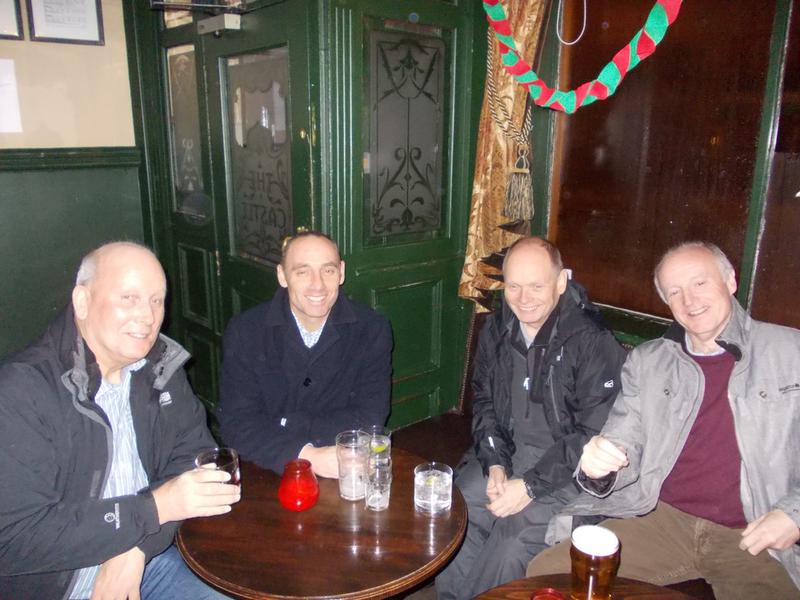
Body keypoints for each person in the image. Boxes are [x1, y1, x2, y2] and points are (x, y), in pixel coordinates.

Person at [528, 241, 800, 598]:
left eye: (700, 283)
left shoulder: (790, 352)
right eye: (674, 291)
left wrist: (793, 514)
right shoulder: (649, 361)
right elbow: (623, 440)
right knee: (547, 576)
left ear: (730, 281)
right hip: (664, 519)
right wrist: (599, 466)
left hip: (752, 532)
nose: (690, 300)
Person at [0, 242, 240, 600]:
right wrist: (152, 509)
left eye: (157, 300)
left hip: (146, 560)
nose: (147, 316)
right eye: (129, 298)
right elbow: (13, 537)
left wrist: (136, 547)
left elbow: (193, 461)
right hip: (57, 584)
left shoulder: (160, 369)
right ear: (82, 301)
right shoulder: (22, 390)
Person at [435, 237, 627, 599]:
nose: (523, 298)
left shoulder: (592, 341)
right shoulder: (497, 328)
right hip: (509, 453)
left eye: (536, 286)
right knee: (458, 508)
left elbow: (593, 432)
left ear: (561, 282)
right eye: (514, 286)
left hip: (568, 472)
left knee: (513, 537)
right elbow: (485, 401)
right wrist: (494, 461)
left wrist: (528, 487)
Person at [217, 231, 392, 477]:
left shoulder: (371, 329)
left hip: (342, 463)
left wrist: (286, 423)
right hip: (267, 468)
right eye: (302, 272)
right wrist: (308, 455)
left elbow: (370, 417)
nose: (317, 284)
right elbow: (237, 423)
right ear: (282, 276)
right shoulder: (246, 331)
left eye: (328, 270)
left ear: (341, 272)